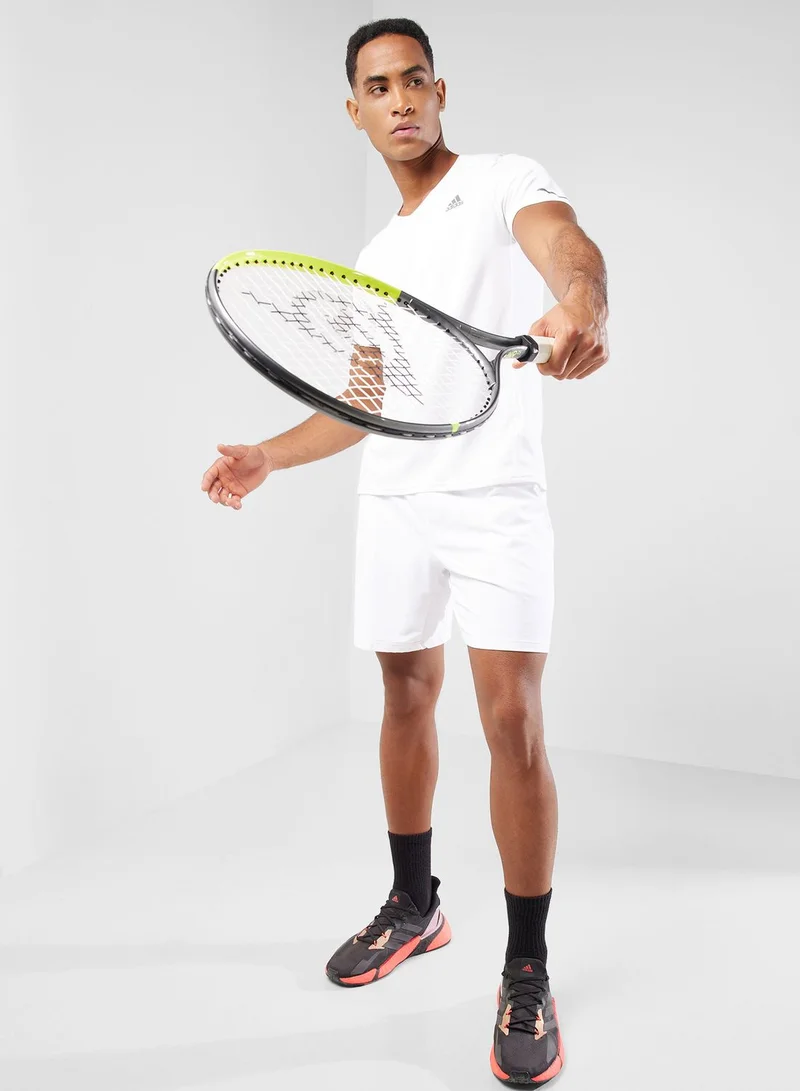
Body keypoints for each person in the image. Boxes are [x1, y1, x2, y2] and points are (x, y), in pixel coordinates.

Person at [200, 17, 608, 1084]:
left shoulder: (502, 182)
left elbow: (569, 249)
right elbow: (362, 405)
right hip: (396, 500)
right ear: (355, 110)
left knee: (512, 718)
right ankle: (415, 903)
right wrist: (269, 454)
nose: (399, 100)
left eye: (413, 80)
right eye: (377, 87)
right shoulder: (376, 259)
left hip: (494, 499)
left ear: (439, 91)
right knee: (404, 697)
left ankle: (526, 964)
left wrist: (580, 303)